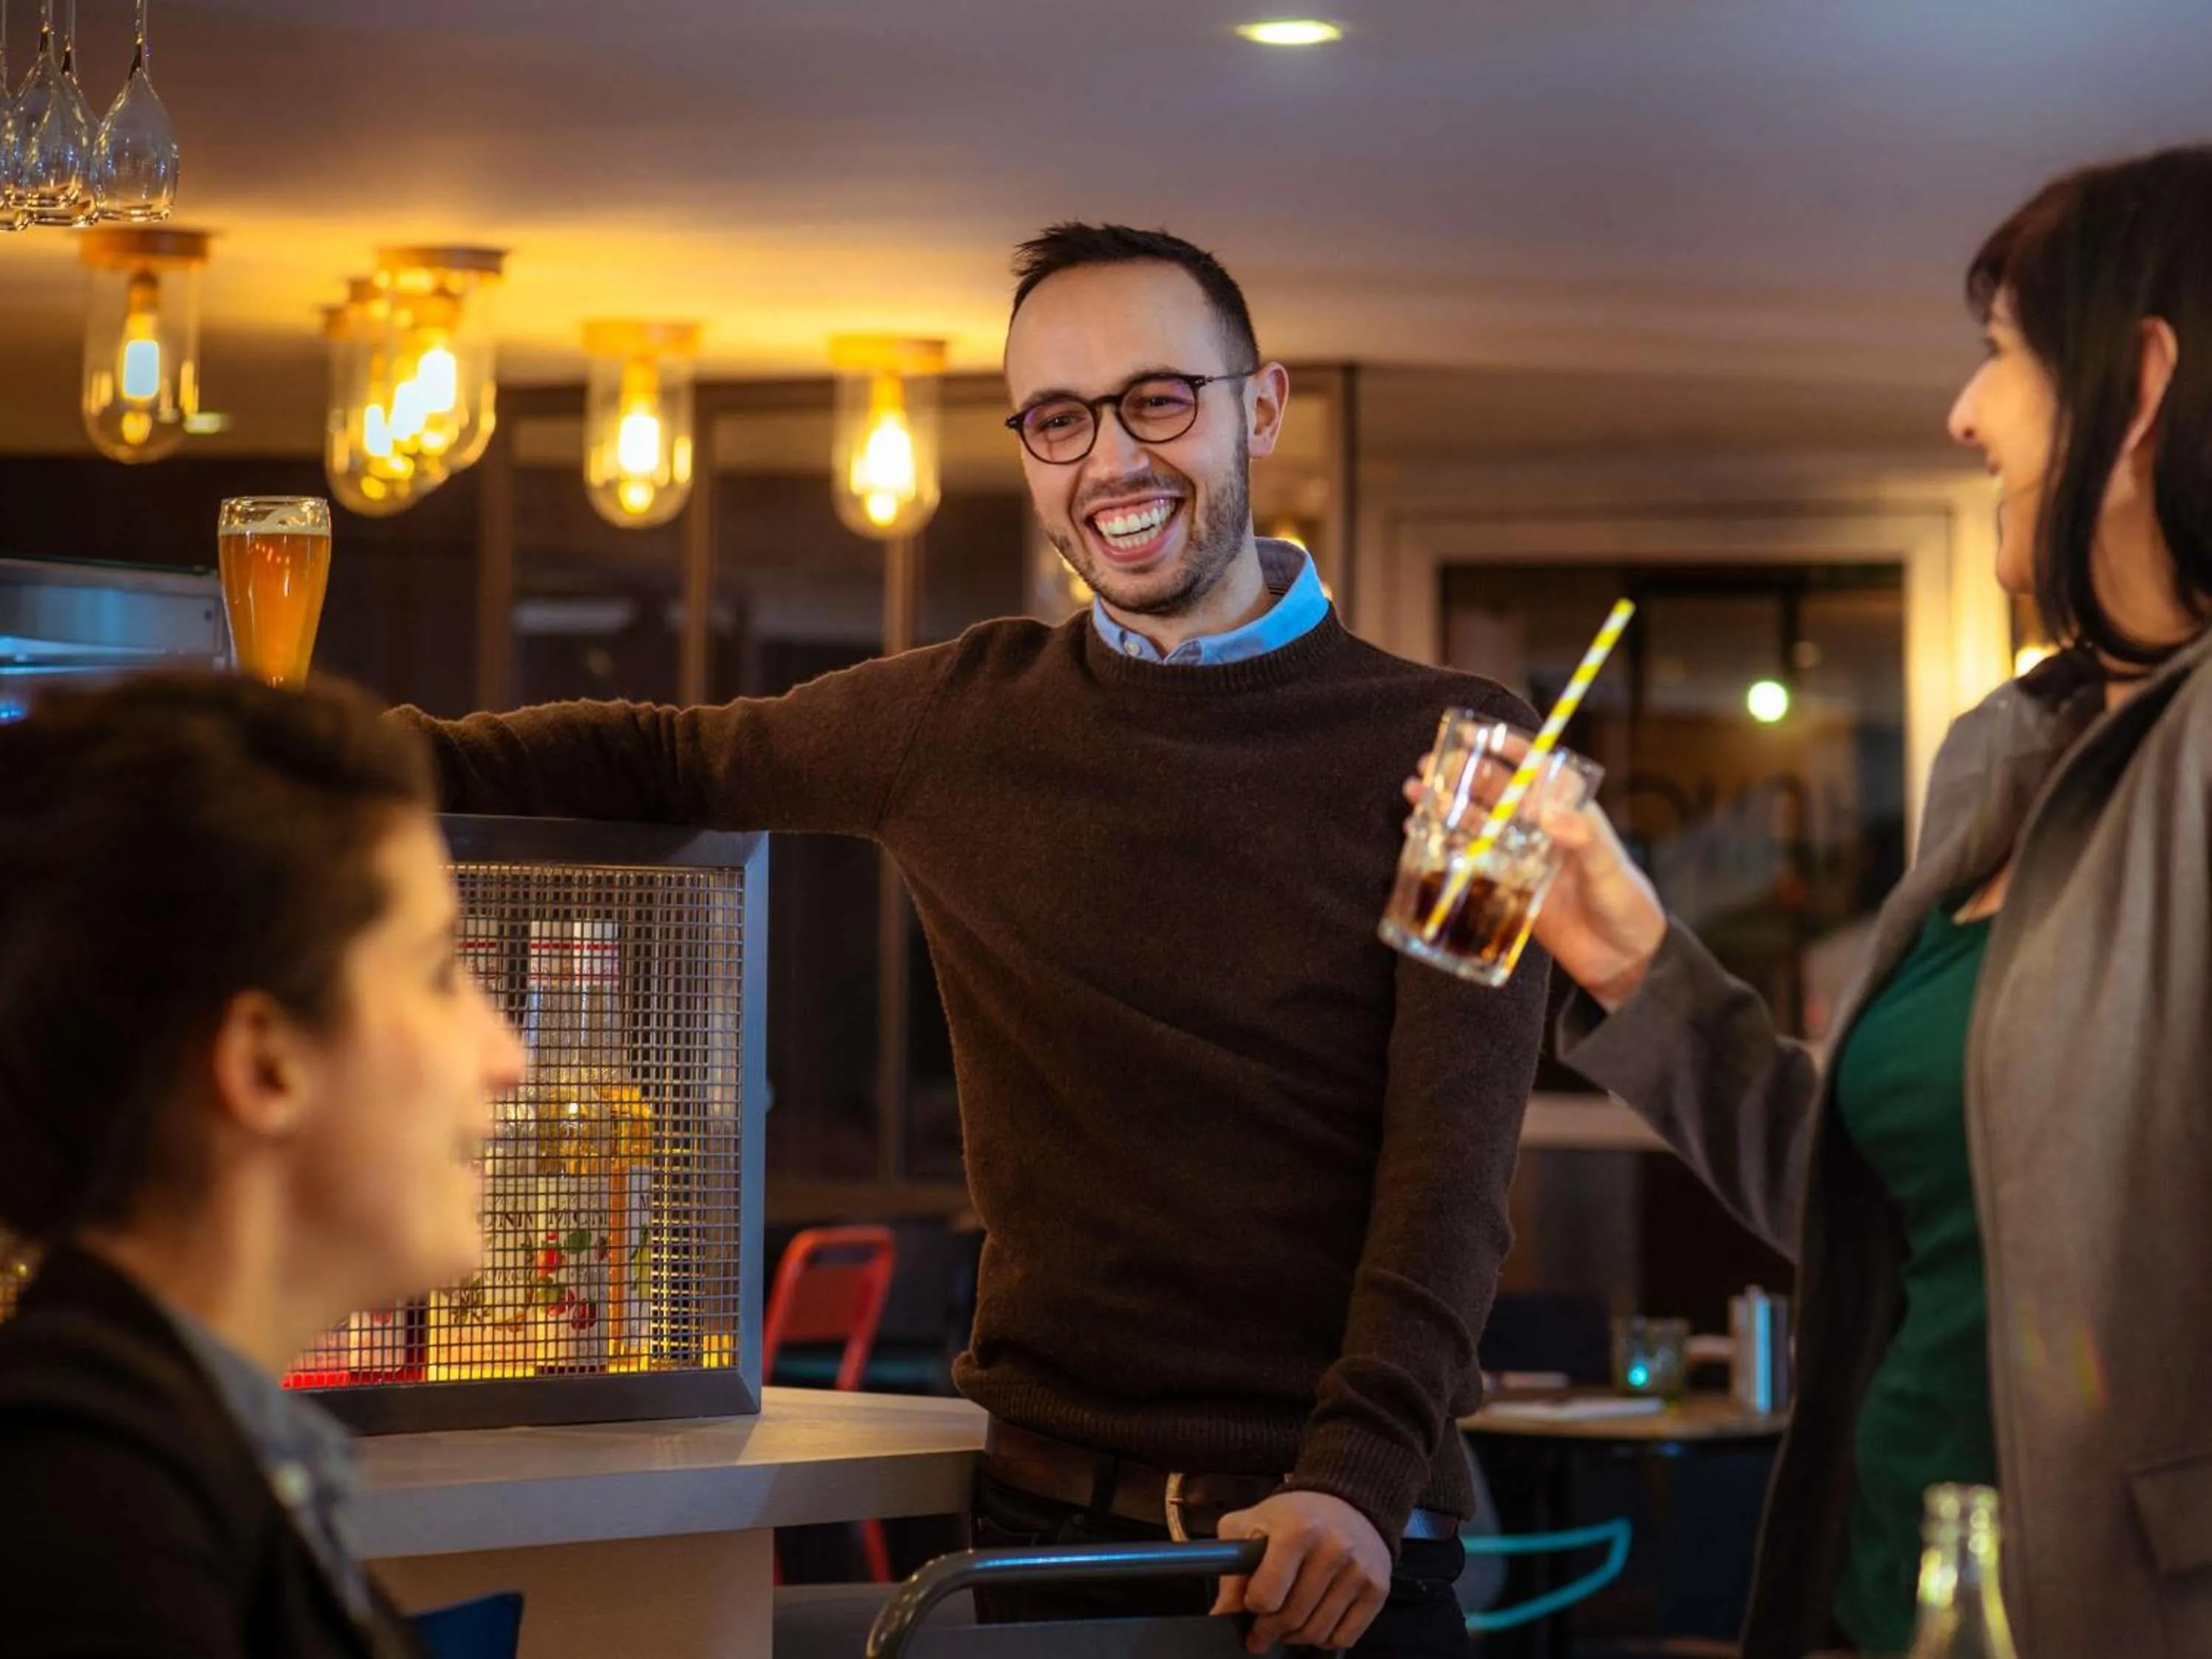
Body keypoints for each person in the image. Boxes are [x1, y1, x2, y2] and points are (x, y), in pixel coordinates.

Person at [392, 223, 1549, 1656]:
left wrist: (1359, 1475)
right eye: (1059, 420)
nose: (1110, 460)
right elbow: (657, 755)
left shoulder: (1481, 751)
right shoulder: (955, 720)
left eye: (1157, 401)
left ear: (1261, 407)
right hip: (1040, 1538)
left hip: (1335, 1556)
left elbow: (1457, 1166)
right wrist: (279, 754)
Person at [1425, 147, 2212, 1658]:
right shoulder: (2012, 753)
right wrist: (1635, 960)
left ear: (2142, 389)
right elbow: (1884, 1204)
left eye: (2002, 354)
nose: (1965, 413)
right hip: (1884, 1595)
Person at [0, 672, 529, 1659]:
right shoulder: (91, 1520)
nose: (508, 1056)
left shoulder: (190, 1465)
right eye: (438, 972)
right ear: (263, 1065)